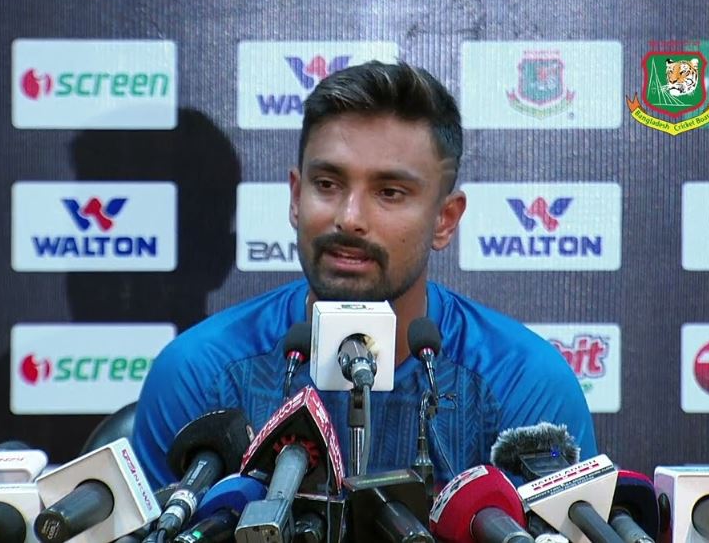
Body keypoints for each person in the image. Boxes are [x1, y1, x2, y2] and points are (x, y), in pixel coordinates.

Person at [132, 61, 597, 487]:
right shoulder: (201, 374)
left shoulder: (522, 383)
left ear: (445, 219)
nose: (350, 218)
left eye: (389, 192)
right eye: (327, 184)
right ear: (296, 197)